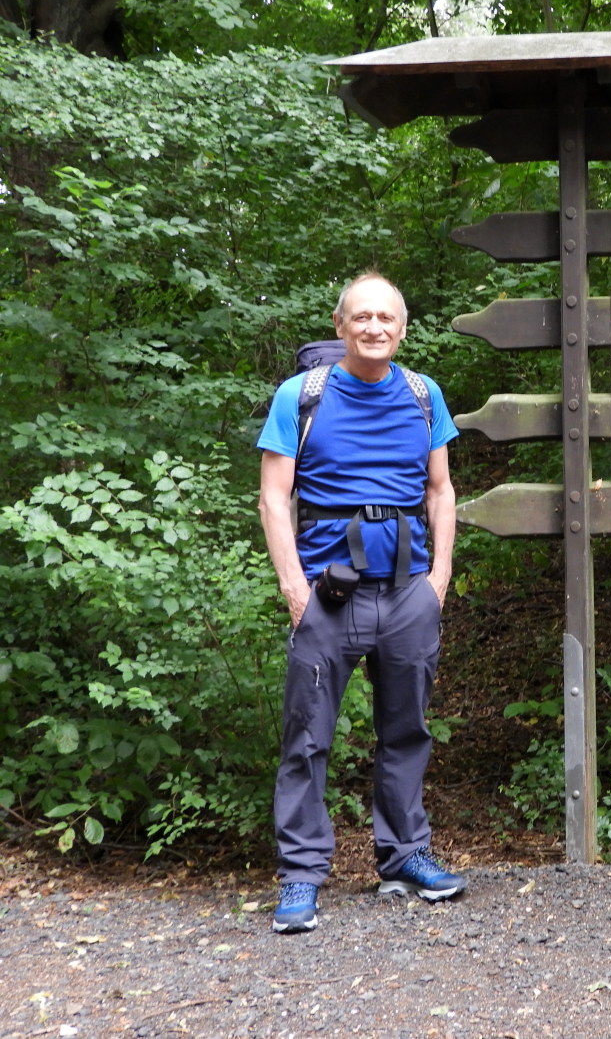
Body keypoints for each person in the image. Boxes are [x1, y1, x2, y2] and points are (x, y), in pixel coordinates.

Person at [257, 271, 465, 934]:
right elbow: (273, 497)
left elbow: (440, 489)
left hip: (408, 590)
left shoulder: (422, 394)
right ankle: (300, 876)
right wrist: (294, 587)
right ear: (341, 324)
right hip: (328, 593)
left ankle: (404, 856)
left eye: (387, 318)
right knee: (308, 736)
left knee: (406, 731)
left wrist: (439, 580)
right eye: (362, 317)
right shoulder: (302, 395)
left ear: (403, 328)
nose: (375, 327)